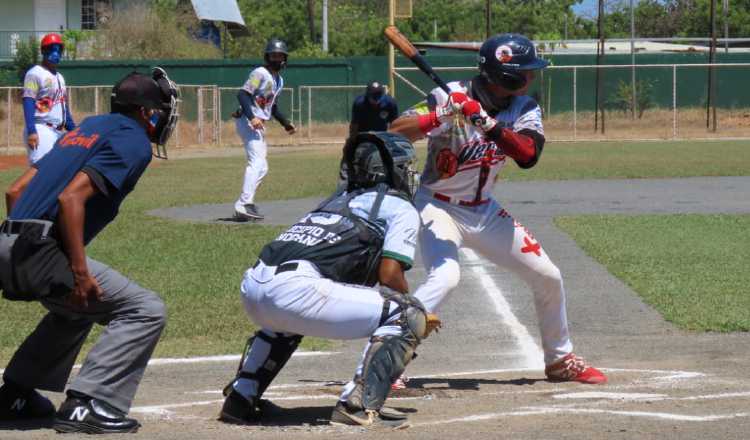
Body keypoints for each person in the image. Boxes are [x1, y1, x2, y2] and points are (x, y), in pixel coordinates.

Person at [389, 34, 607, 384]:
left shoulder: (524, 107)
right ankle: (387, 359)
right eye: (525, 72)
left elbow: (528, 155)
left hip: (484, 211)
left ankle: (560, 359)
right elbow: (395, 131)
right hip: (437, 207)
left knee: (548, 276)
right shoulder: (447, 94)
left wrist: (487, 124)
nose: (531, 78)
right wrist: (441, 115)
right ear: (503, 76)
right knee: (445, 277)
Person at [0, 68, 179, 433]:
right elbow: (71, 198)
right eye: (159, 110)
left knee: (78, 307)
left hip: (8, 241)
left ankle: (14, 396)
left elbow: (15, 191)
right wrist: (79, 273)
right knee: (145, 309)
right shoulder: (133, 140)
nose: (162, 117)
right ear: (146, 113)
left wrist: (21, 249)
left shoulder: (87, 128)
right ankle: (89, 402)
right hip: (35, 249)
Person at [219, 132, 436, 427]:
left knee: (284, 324)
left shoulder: (335, 200)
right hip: (295, 291)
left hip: (255, 286)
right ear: (389, 171)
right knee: (407, 314)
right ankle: (357, 405)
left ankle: (241, 398)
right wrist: (416, 308)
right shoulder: (399, 207)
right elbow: (389, 275)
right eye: (405, 166)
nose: (410, 173)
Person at [232, 38, 296, 222]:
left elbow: (272, 106)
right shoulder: (259, 73)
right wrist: (252, 117)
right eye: (273, 55)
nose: (276, 58)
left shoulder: (279, 80)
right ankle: (243, 204)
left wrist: (285, 123)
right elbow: (242, 94)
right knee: (257, 161)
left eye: (280, 55)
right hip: (248, 120)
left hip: (257, 122)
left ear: (285, 59)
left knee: (263, 167)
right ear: (267, 57)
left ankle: (247, 202)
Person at [22, 33, 76, 165]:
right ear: (43, 51)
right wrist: (32, 130)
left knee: (57, 173)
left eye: (58, 49)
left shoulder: (60, 77)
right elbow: (28, 100)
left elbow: (63, 108)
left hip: (58, 131)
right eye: (51, 49)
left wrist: (75, 130)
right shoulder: (35, 73)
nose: (55, 53)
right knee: (40, 172)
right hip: (41, 128)